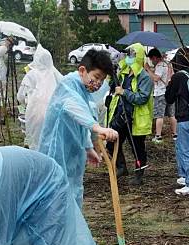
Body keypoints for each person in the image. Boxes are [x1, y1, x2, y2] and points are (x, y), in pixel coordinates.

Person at [39, 49, 119, 208]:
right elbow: (75, 109)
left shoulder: (84, 90)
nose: (98, 84)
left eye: (102, 80)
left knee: (73, 192)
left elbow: (82, 120)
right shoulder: (68, 86)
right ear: (82, 71)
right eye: (96, 77)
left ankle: (72, 229)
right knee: (55, 194)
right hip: (56, 149)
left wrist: (89, 147)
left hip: (72, 151)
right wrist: (98, 128)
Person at [106, 43, 154, 185]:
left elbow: (142, 98)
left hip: (136, 119)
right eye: (127, 55)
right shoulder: (124, 72)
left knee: (137, 148)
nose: (128, 58)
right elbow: (114, 87)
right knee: (112, 143)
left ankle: (139, 174)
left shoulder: (144, 77)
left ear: (138, 57)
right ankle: (121, 167)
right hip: (121, 115)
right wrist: (112, 75)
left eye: (131, 55)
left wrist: (124, 92)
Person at [165, 47, 189, 195]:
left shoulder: (179, 76)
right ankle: (186, 175)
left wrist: (169, 84)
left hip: (185, 118)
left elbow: (169, 98)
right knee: (184, 147)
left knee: (186, 150)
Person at [17, 45, 63, 149]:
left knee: (35, 140)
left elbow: (20, 96)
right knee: (50, 140)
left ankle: (36, 161)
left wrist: (26, 101)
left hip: (35, 112)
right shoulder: (55, 74)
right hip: (54, 112)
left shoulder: (32, 74)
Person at [145, 48, 176, 144]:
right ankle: (175, 134)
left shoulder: (159, 65)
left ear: (154, 57)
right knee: (172, 114)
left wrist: (148, 69)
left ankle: (158, 136)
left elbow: (156, 78)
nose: (151, 62)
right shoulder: (168, 63)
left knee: (159, 115)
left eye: (151, 59)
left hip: (160, 93)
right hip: (170, 92)